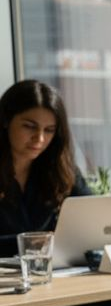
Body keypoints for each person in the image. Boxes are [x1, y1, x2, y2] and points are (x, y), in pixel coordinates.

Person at [0, 80, 91, 257]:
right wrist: (30, 243)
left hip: (53, 276)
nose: (39, 138)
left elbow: (93, 218)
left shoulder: (62, 171)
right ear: (5, 121)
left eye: (49, 130)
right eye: (29, 126)